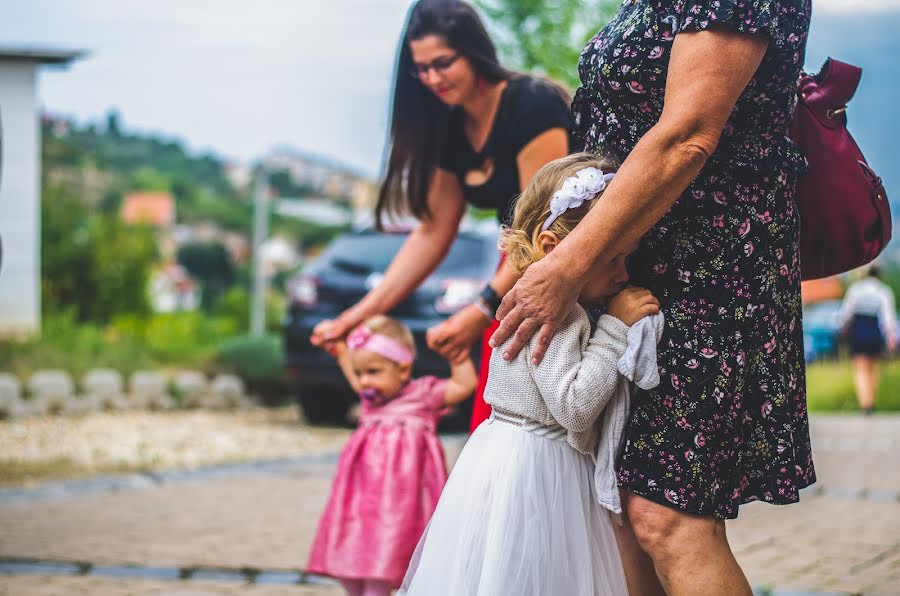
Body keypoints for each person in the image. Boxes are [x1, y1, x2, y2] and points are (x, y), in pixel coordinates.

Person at [489, 1, 816, 593]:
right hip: (628, 267)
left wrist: (569, 262)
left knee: (668, 516)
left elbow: (689, 134)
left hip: (704, 273)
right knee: (621, 511)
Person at [399, 153, 661, 595]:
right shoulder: (554, 313)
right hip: (537, 467)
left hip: (515, 456)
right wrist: (616, 330)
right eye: (612, 259)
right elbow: (574, 408)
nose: (624, 273)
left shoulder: (542, 301)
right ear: (553, 249)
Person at [310, 0, 573, 432]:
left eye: (443, 63)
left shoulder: (532, 104)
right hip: (515, 271)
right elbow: (433, 232)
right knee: (492, 429)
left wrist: (481, 309)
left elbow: (541, 228)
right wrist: (355, 316)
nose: (432, 78)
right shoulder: (452, 126)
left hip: (555, 269)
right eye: (421, 68)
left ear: (473, 51)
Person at [306, 315, 477, 595]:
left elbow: (463, 386)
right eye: (359, 373)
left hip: (403, 499)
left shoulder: (423, 395)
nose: (362, 382)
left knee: (385, 559)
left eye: (372, 372)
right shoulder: (370, 397)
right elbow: (351, 365)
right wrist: (339, 346)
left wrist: (457, 355)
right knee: (356, 554)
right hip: (363, 495)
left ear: (403, 367)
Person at [840, 265, 898, 414]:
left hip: (858, 329)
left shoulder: (856, 289)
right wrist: (891, 337)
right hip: (874, 330)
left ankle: (865, 403)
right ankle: (871, 401)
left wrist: (843, 329)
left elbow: (846, 312)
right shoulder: (883, 291)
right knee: (874, 367)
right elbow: (888, 317)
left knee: (860, 368)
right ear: (879, 276)